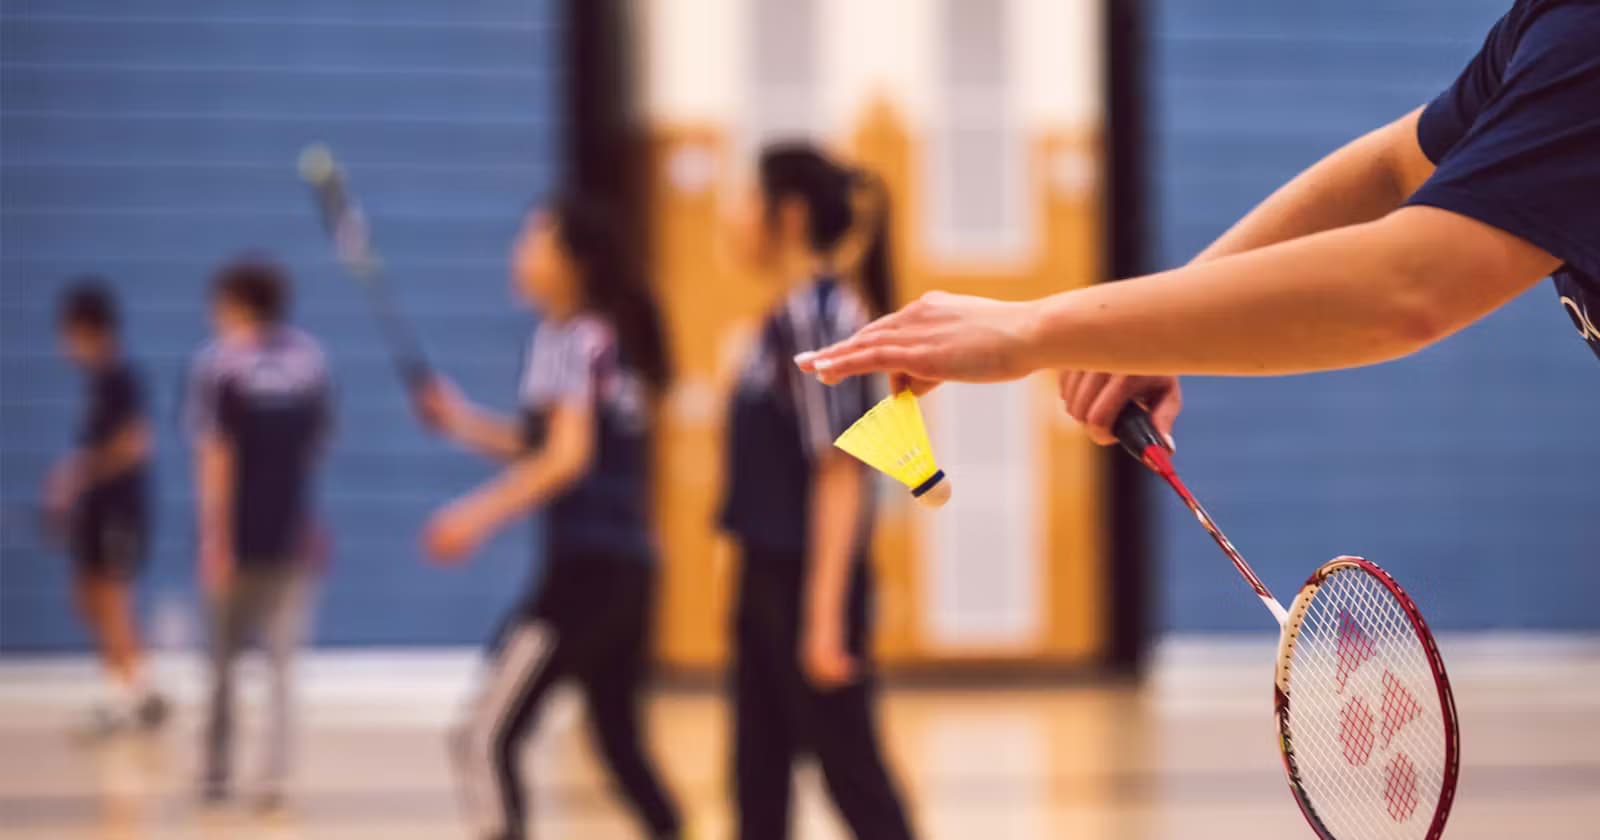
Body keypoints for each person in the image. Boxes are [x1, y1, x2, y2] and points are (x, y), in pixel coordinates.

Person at [797, 0, 1599, 440]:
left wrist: (1030, 329)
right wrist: (1149, 324)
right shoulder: (1552, 25)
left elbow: (1409, 286)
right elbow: (1396, 165)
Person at [415, 196, 683, 840]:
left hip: (585, 579)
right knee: (618, 742)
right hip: (630, 572)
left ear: (573, 263)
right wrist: (462, 423)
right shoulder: (600, 337)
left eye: (533, 243)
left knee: (482, 735)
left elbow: (566, 458)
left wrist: (473, 516)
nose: (519, 255)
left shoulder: (573, 337)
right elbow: (550, 443)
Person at [718, 143, 917, 840]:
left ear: (789, 214)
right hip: (767, 579)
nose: (733, 217)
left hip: (805, 582)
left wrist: (823, 616)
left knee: (852, 777)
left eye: (746, 199)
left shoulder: (822, 316)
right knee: (756, 781)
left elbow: (841, 471)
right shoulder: (787, 316)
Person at [186, 256, 331, 808]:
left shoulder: (219, 365)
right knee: (281, 667)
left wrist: (213, 537)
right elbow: (312, 454)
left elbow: (214, 455)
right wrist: (311, 523)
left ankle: (217, 772)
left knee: (222, 663)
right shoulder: (310, 362)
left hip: (240, 539)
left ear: (238, 304)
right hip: (291, 535)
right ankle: (273, 778)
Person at [45, 280, 168, 736]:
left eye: (68, 333)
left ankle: (125, 700)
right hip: (97, 510)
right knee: (90, 598)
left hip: (121, 509)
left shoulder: (121, 377)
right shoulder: (97, 382)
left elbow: (136, 443)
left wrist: (79, 472)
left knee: (114, 600)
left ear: (86, 329)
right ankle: (140, 689)